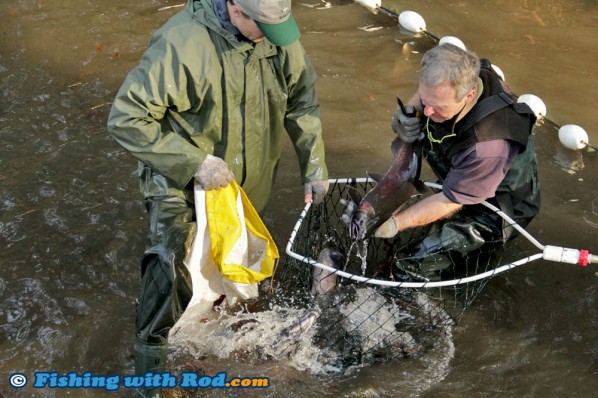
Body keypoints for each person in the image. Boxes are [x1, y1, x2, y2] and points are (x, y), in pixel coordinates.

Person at [107, 0, 329, 395]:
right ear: (235, 8)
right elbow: (125, 118)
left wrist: (314, 167)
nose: (273, 38)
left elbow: (302, 102)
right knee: (169, 267)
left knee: (239, 269)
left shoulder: (278, 37)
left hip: (244, 187)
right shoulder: (182, 44)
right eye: (263, 27)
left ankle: (217, 344)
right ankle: (149, 373)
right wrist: (193, 161)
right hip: (181, 181)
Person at [375, 43, 540, 278]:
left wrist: (394, 224)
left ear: (469, 96)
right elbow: (428, 99)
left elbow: (449, 199)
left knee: (407, 266)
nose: (428, 112)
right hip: (466, 176)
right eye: (425, 99)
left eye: (438, 107)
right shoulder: (469, 72)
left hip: (498, 209)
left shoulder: (488, 144)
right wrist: (409, 111)